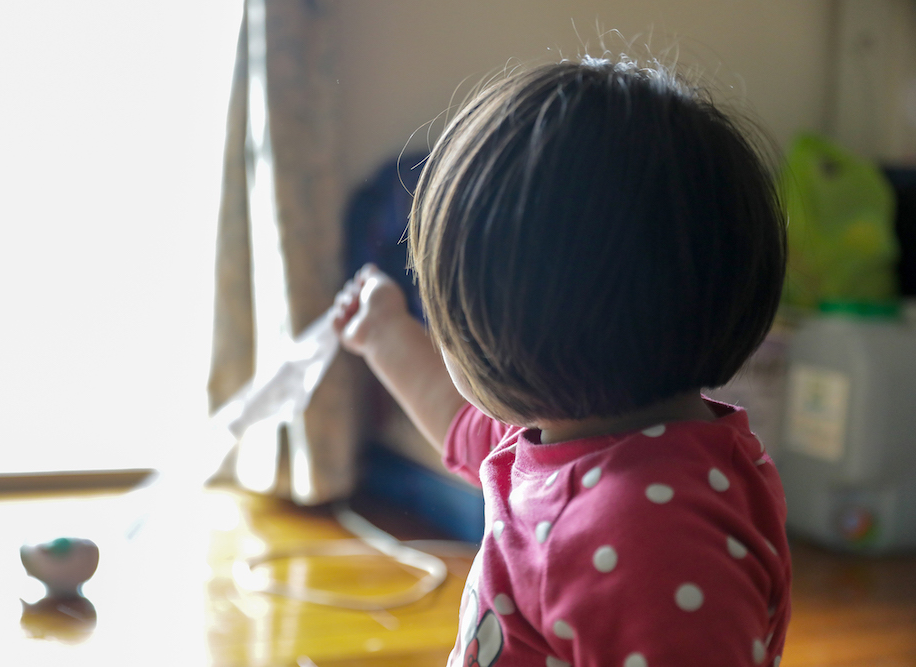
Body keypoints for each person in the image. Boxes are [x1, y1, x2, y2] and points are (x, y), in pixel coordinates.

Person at [332, 56, 790, 667]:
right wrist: (385, 334)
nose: (444, 336)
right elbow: (461, 424)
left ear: (515, 337)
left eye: (448, 316)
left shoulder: (651, 535)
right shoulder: (575, 427)